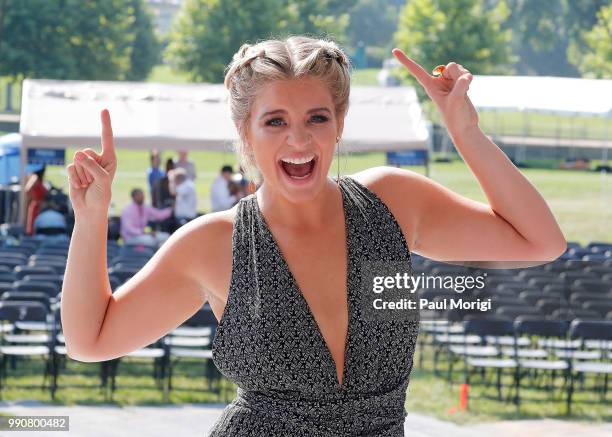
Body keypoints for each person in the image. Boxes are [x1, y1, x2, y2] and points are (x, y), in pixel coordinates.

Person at [61, 36, 566, 436]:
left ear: (339, 124)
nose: (298, 140)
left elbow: (538, 240)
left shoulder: (392, 202)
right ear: (245, 131)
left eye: (316, 119)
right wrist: (91, 217)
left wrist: (465, 132)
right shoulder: (213, 244)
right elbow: (90, 339)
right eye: (274, 121)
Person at [25, 165, 49, 235]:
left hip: (39, 207)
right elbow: (28, 189)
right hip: (36, 206)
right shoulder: (35, 177)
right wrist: (36, 199)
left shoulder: (38, 179)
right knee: (33, 227)